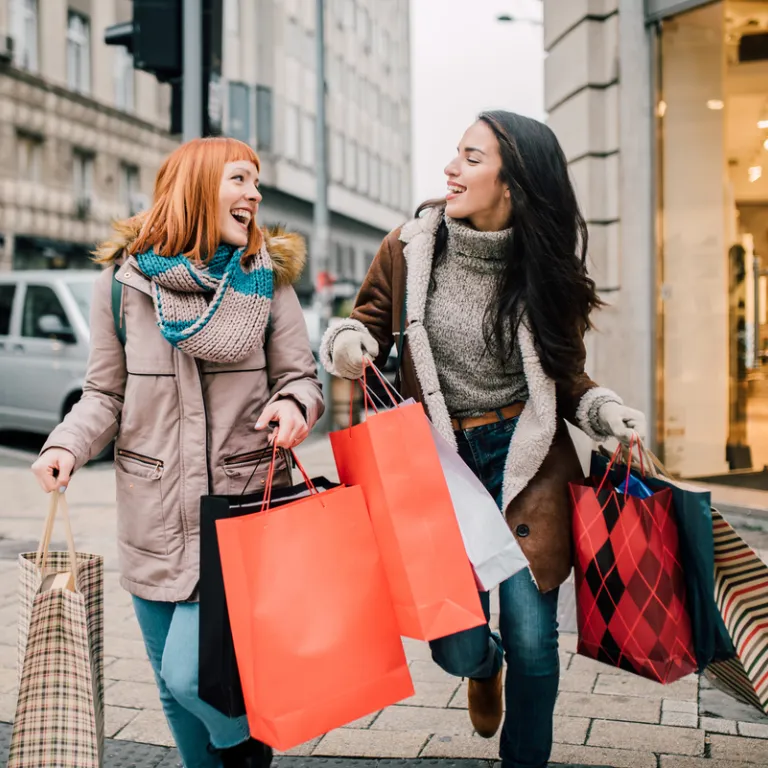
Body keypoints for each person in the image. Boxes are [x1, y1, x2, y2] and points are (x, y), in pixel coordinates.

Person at [319, 111, 646, 768]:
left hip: (527, 465)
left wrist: (610, 415)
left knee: (532, 639)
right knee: (454, 640)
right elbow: (362, 325)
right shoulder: (410, 247)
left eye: (471, 158)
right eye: (456, 155)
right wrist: (350, 344)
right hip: (436, 463)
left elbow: (567, 376)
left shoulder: (544, 268)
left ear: (514, 182)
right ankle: (480, 665)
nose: (451, 169)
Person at [31, 137, 324, 768]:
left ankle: (247, 747)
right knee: (171, 686)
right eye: (241, 180)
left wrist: (294, 407)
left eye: (256, 182)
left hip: (241, 513)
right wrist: (67, 446)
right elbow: (104, 393)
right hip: (152, 514)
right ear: (197, 186)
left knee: (193, 677)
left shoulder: (267, 281)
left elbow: (301, 378)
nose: (255, 195)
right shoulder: (122, 285)